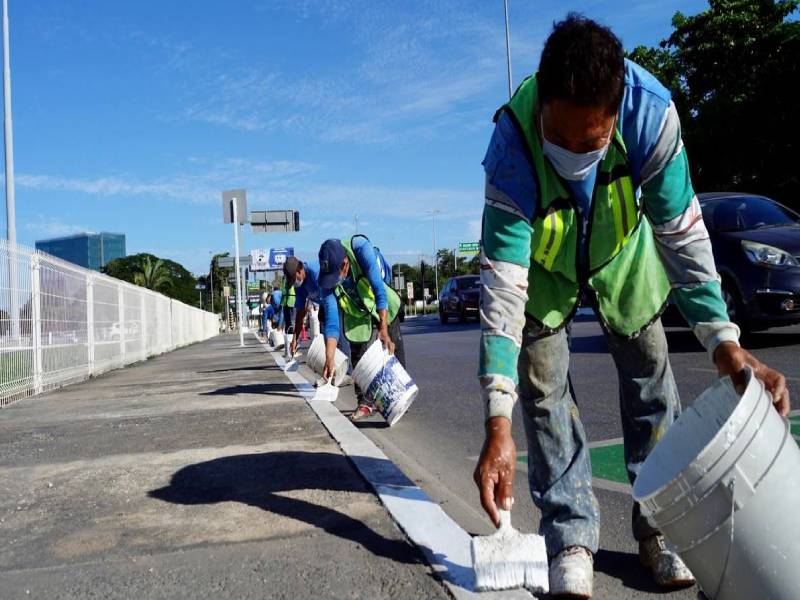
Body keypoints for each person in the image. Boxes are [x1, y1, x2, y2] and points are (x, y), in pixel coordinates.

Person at [474, 14, 790, 599]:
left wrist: (724, 342)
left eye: (589, 143)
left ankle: (662, 530)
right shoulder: (513, 145)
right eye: (559, 139)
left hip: (624, 255)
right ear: (542, 102)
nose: (571, 154)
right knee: (543, 393)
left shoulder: (651, 115)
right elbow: (502, 286)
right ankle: (569, 538)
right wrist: (497, 420)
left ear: (615, 116)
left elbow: (682, 233)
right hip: (543, 272)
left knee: (650, 382)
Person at [317, 236, 406, 421]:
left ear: (345, 264)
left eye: (336, 276)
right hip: (356, 308)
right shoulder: (326, 282)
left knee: (391, 345)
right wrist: (329, 357)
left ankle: (398, 396)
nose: (334, 282)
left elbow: (379, 290)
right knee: (358, 352)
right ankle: (365, 402)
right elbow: (332, 323)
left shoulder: (360, 249)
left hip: (378, 296)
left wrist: (383, 329)